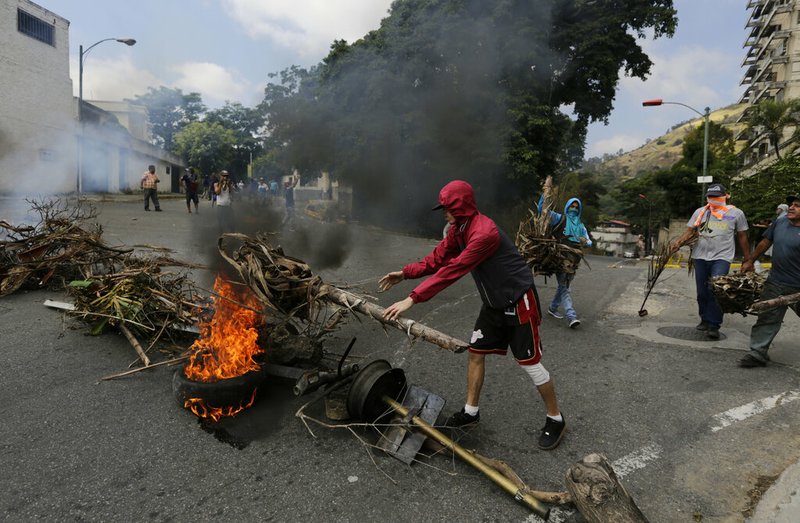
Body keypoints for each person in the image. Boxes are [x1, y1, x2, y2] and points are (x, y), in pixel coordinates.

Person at [379, 180, 567, 450]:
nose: (444, 213)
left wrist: (412, 298)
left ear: (461, 207)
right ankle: (470, 412)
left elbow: (453, 270)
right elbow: (438, 258)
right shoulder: (459, 229)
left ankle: (555, 418)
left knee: (529, 363)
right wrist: (405, 273)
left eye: (447, 208)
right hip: (493, 304)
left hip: (518, 301)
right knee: (476, 352)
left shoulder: (484, 234)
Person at [670, 183, 750, 340]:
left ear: (725, 197)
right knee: (702, 291)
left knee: (717, 290)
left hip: (722, 257)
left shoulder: (735, 213)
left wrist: (748, 259)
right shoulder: (700, 212)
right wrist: (678, 243)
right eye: (710, 197)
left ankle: (714, 325)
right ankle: (705, 319)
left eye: (717, 197)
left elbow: (742, 236)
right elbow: (690, 231)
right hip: (700, 257)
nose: (713, 200)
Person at [738, 195, 800, 368]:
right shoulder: (780, 222)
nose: (792, 208)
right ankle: (757, 352)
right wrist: (750, 260)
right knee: (767, 317)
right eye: (791, 204)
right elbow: (766, 242)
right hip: (776, 282)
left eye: (797, 206)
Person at [538, 195, 592, 329]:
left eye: (576, 207)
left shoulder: (581, 225)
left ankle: (552, 307)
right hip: (560, 258)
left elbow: (589, 241)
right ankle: (571, 315)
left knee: (563, 285)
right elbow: (543, 211)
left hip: (574, 260)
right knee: (565, 287)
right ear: (567, 206)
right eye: (572, 206)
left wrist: (585, 242)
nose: (574, 209)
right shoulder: (559, 218)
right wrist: (545, 195)